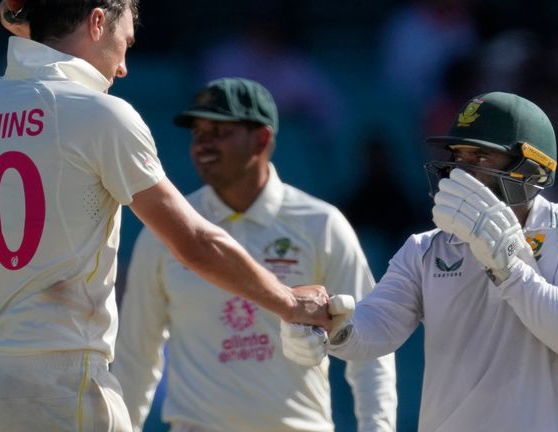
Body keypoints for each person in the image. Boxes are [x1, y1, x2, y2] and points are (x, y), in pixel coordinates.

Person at [0, 3, 330, 431]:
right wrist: (288, 301)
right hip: (64, 382)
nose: (124, 66)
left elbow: (35, 77)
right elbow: (194, 243)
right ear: (97, 22)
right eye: (125, 42)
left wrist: (41, 19)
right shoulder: (98, 113)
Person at [282, 92, 558, 431]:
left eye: (481, 156)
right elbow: (377, 326)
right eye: (458, 155)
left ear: (529, 167)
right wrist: (333, 327)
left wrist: (508, 264)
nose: (462, 171)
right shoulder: (425, 249)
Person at [112, 77, 397, 432]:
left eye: (220, 132)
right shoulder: (164, 232)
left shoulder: (321, 225)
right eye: (198, 133)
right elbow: (136, 356)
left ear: (261, 139)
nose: (204, 145)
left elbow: (368, 346)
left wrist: (378, 427)